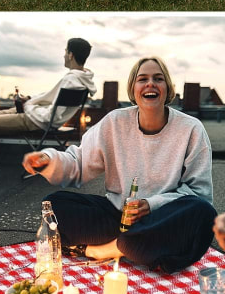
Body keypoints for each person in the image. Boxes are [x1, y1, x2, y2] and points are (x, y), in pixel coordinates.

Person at [23, 57, 216, 273]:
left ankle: (110, 249)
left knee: (203, 213)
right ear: (133, 89)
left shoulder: (191, 129)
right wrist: (49, 160)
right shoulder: (114, 122)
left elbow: (199, 193)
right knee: (53, 205)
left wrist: (152, 205)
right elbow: (79, 163)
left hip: (162, 219)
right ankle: (137, 248)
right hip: (116, 217)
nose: (150, 84)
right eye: (142, 79)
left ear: (168, 88)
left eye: (158, 79)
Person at [0, 38, 96, 185]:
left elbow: (50, 116)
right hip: (35, 114)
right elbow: (52, 103)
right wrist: (29, 100)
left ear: (71, 55)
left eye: (65, 51)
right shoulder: (82, 79)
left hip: (35, 120)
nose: (63, 55)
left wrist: (28, 106)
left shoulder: (71, 80)